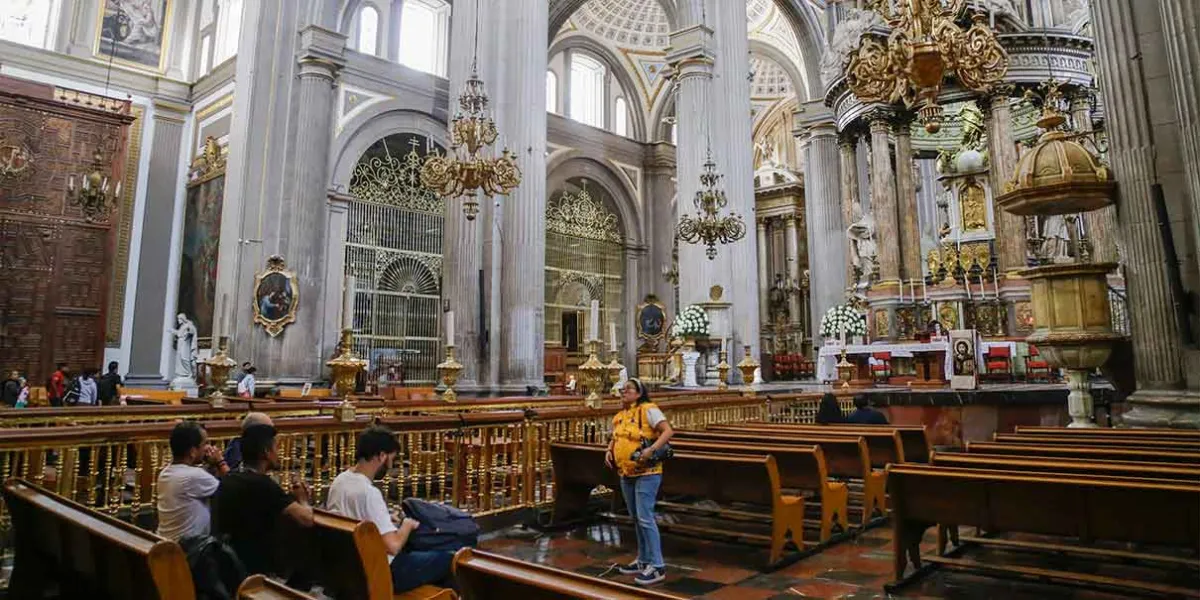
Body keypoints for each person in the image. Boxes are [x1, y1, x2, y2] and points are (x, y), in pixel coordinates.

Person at [326, 426, 455, 592]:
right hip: (380, 571)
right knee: (450, 558)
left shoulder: (339, 481)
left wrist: (387, 519)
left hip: (349, 567)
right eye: (391, 459)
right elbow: (393, 546)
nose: (391, 465)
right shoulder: (369, 493)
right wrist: (407, 525)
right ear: (381, 456)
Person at [213, 424, 313, 577]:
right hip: (258, 574)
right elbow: (306, 519)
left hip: (228, 568)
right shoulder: (264, 485)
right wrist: (303, 499)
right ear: (266, 452)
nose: (278, 453)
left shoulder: (228, 479)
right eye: (276, 448)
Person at [605, 378, 673, 586]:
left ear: (639, 393)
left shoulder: (648, 409)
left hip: (648, 472)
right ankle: (643, 560)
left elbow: (668, 431)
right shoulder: (621, 415)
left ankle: (658, 566)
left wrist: (651, 450)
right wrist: (609, 450)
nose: (623, 392)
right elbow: (618, 437)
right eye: (622, 390)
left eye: (628, 389)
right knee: (636, 518)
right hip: (627, 471)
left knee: (645, 518)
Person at [157, 421, 228, 542]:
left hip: (166, 542)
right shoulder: (194, 476)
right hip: (188, 551)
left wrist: (210, 465)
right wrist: (220, 462)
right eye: (205, 443)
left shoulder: (166, 472)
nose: (208, 448)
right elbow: (233, 487)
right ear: (192, 451)